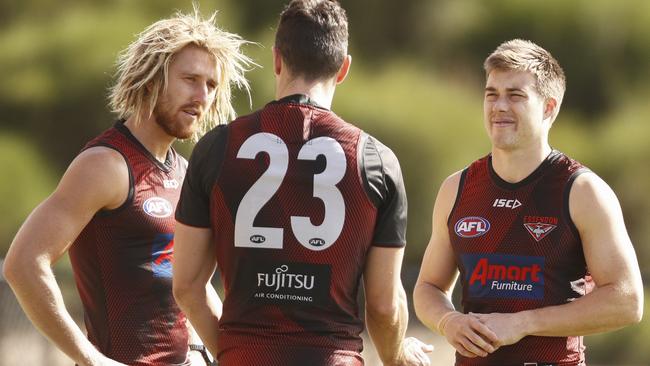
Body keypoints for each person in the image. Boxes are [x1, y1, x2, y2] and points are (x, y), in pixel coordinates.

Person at [172, 1, 433, 365]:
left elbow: (186, 286)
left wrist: (234, 354)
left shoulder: (216, 147)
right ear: (343, 69)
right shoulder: (376, 160)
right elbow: (385, 305)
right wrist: (395, 358)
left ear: (277, 59)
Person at [3, 9, 252, 366]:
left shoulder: (185, 172)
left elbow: (192, 287)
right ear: (151, 81)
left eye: (211, 85)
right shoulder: (106, 164)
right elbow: (23, 264)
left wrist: (230, 355)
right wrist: (91, 359)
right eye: (190, 79)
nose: (202, 96)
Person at [413, 39, 644, 365]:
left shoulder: (582, 191)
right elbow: (428, 287)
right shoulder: (457, 188)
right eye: (491, 94)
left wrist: (523, 323)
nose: (499, 106)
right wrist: (448, 321)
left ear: (549, 107)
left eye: (515, 96)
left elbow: (627, 301)